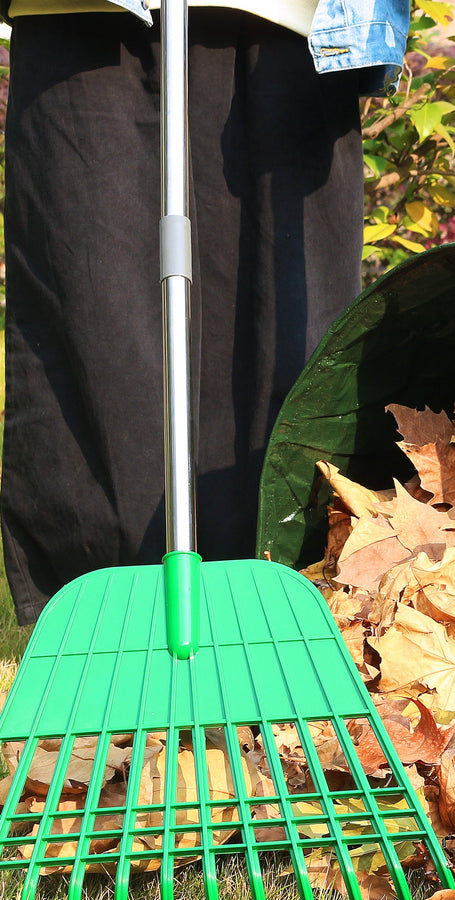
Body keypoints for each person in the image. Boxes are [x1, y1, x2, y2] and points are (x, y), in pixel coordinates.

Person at [0, 0, 410, 625]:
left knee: (289, 338)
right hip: (89, 14)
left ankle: (290, 593)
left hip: (292, 20)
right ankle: (104, 610)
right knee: (93, 318)